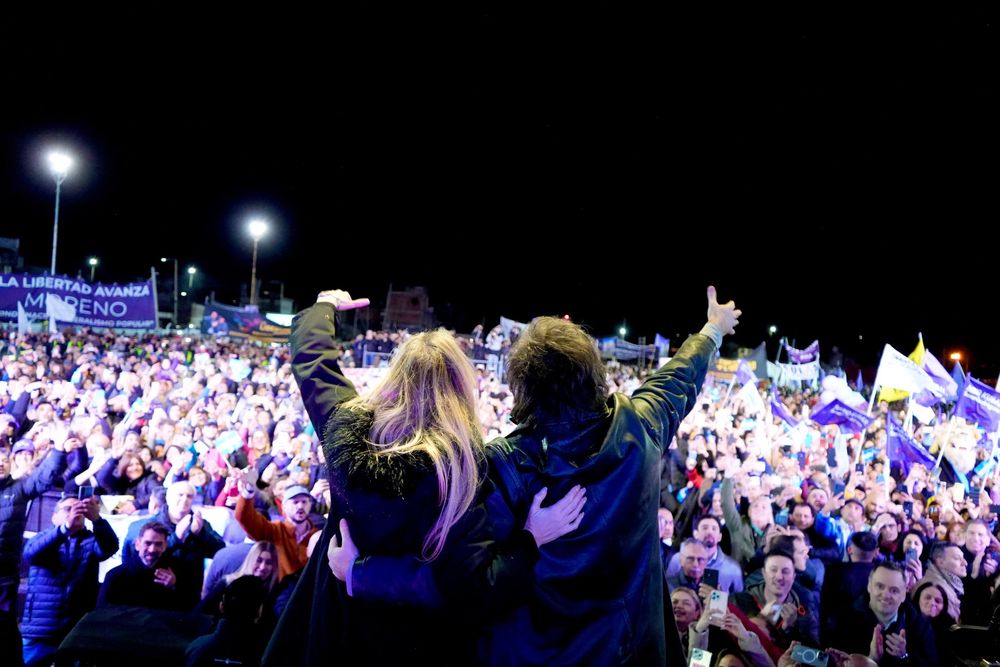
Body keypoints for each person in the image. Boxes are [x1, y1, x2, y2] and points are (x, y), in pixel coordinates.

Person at [331, 285, 740, 665]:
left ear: (521, 388)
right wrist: (714, 329)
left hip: (532, 654)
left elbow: (460, 584)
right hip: (630, 650)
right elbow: (679, 377)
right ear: (595, 373)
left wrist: (361, 572)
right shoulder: (641, 427)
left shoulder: (503, 466)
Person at [263, 290, 586, 666]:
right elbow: (475, 589)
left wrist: (325, 307)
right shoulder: (458, 473)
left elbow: (313, 360)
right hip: (406, 644)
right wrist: (532, 538)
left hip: (332, 625)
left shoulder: (342, 426)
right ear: (461, 389)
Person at [0, 428, 77, 666]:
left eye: (4, 460)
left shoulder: (19, 488)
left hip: (3, 577)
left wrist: (58, 451)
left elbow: (44, 479)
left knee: (5, 631)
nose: (1, 464)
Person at [20, 495, 118, 667]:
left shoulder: (91, 540)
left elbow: (110, 548)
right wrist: (65, 529)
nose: (74, 513)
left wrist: (97, 519)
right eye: (67, 509)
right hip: (41, 628)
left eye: (79, 509)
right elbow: (30, 553)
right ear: (54, 516)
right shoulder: (44, 537)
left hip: (75, 629)